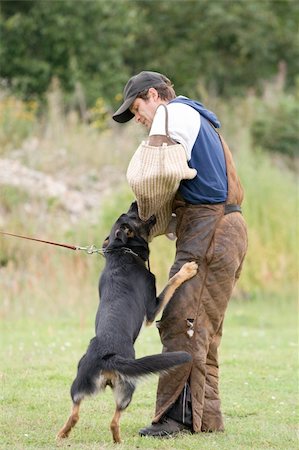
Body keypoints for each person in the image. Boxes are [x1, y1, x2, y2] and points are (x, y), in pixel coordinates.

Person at [112, 71, 248, 437]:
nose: (138, 118)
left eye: (137, 108)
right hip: (222, 228)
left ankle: (175, 419)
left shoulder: (174, 114)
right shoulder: (198, 118)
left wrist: (134, 220)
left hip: (211, 230)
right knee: (202, 327)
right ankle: (206, 419)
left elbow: (155, 175)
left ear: (154, 95)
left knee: (178, 318)